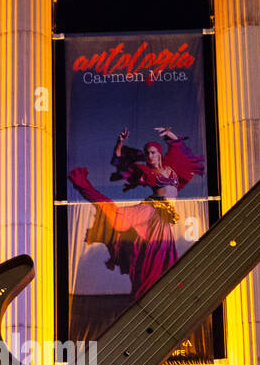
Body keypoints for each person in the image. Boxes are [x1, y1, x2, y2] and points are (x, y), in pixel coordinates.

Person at [68, 125, 204, 298]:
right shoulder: (147, 172)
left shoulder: (172, 167)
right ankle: (81, 183)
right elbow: (118, 162)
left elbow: (177, 146)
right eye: (147, 153)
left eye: (153, 152)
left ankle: (159, 291)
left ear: (159, 154)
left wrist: (169, 133)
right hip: (152, 210)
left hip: (164, 217)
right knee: (115, 215)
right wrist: (120, 143)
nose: (149, 156)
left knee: (162, 253)